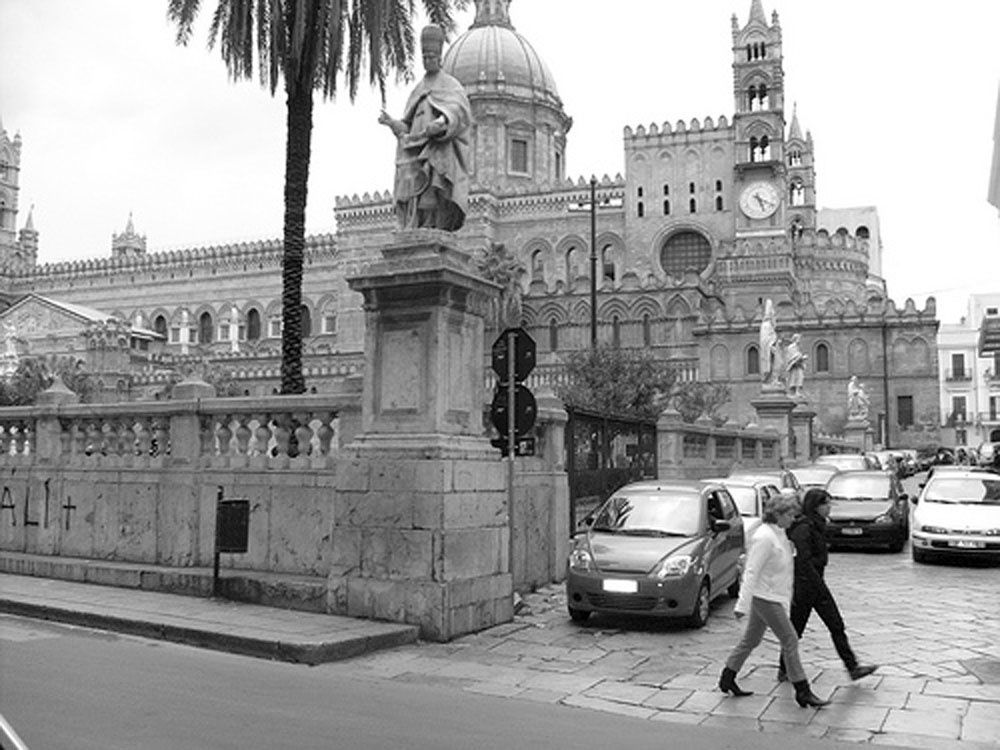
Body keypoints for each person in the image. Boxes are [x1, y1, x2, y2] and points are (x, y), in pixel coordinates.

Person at [719, 492, 829, 708]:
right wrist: (742, 604)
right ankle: (803, 691)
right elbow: (751, 571)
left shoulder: (779, 534)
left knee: (751, 640)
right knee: (790, 639)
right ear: (777, 514)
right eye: (789, 514)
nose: (793, 518)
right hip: (765, 597)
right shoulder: (765, 537)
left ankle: (727, 677)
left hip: (772, 596)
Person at [778, 488, 878, 682]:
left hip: (815, 584)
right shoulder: (804, 528)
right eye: (826, 504)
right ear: (816, 506)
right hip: (807, 586)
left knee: (834, 625)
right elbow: (802, 561)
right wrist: (817, 585)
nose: (829, 507)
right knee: (797, 629)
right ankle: (784, 668)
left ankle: (852, 667)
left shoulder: (817, 525)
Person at [378, 24, 472, 232]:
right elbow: (407, 126)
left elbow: (458, 110)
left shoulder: (451, 85)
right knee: (415, 191)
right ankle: (417, 226)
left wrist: (442, 122)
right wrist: (392, 123)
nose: (428, 60)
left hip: (437, 147)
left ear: (440, 57)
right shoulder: (418, 89)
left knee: (435, 186)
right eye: (425, 57)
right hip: (416, 150)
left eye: (432, 56)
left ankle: (433, 226)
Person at [759, 299, 777, 384]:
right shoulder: (766, 325)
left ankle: (773, 379)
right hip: (768, 350)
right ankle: (769, 379)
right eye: (773, 314)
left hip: (771, 350)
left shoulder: (770, 325)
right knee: (770, 364)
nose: (775, 317)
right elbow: (764, 340)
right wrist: (770, 345)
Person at [785, 333, 807, 397]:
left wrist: (801, 358)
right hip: (793, 367)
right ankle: (793, 393)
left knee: (800, 378)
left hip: (799, 366)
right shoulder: (791, 347)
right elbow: (791, 357)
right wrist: (801, 357)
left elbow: (798, 356)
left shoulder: (797, 347)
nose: (799, 340)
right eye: (799, 339)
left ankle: (797, 392)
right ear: (795, 339)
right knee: (793, 379)